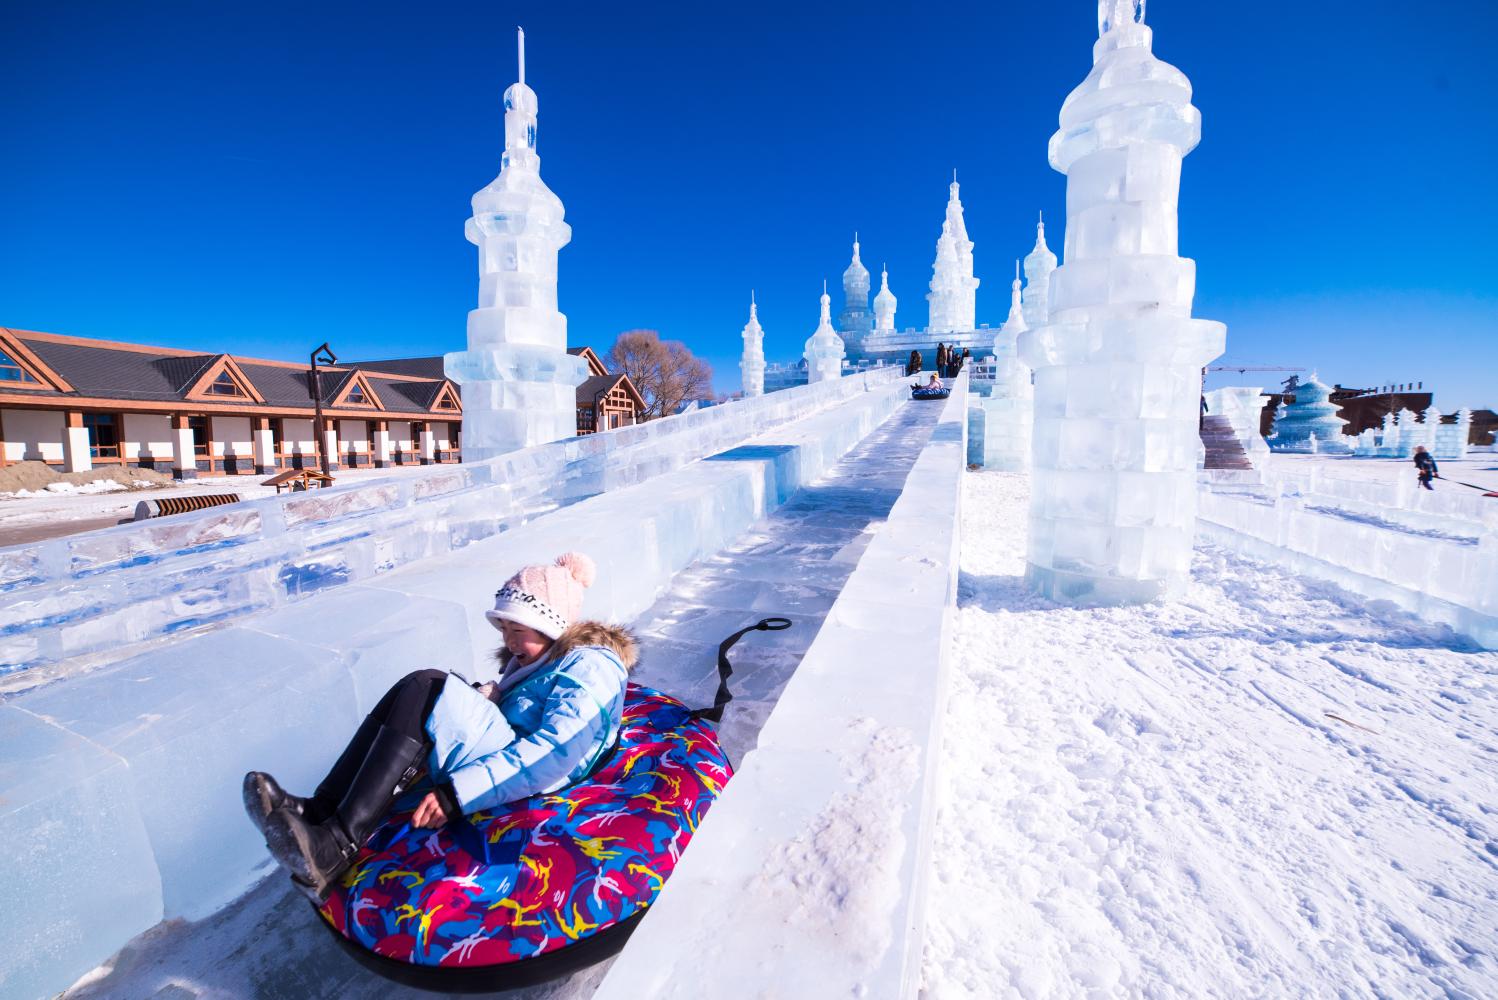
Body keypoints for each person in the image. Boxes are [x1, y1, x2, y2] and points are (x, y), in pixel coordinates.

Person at [242, 551, 636, 899]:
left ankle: (335, 846)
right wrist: (487, 699)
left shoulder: (591, 666)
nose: (510, 642)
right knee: (415, 688)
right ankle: (321, 809)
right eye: (504, 630)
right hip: (506, 749)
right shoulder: (540, 660)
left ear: (552, 625)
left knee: (429, 686)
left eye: (518, 630)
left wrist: (457, 794)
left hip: (533, 770)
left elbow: (558, 749)